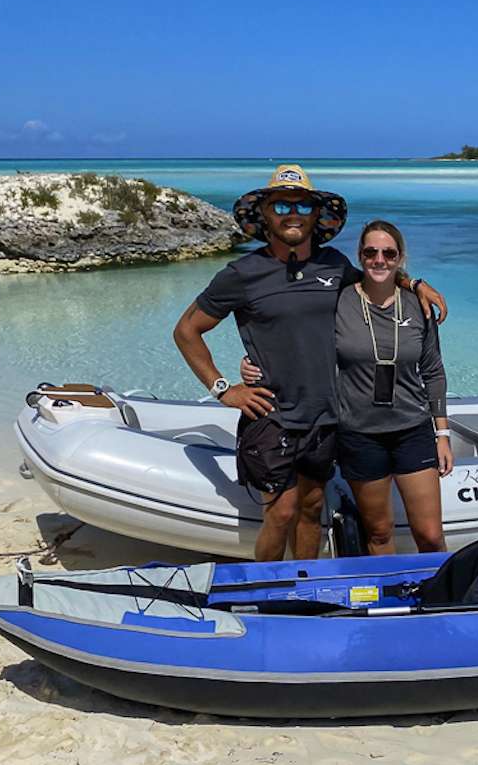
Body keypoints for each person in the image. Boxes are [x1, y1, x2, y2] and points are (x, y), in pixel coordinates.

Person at [172, 164, 445, 562]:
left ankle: (305, 585)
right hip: (272, 415)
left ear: (317, 215)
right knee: (281, 513)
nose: (293, 214)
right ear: (265, 214)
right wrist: (224, 388)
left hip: (326, 417)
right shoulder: (241, 274)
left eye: (302, 206)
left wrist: (415, 284)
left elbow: (377, 276)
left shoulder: (332, 265)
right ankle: (267, 586)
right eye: (281, 206)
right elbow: (186, 330)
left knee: (312, 508)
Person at [243, 220, 452, 554]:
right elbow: (296, 335)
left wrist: (442, 434)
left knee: (429, 534)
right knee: (379, 533)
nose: (379, 260)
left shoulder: (418, 304)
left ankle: (443, 585)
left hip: (412, 430)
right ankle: (387, 585)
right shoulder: (338, 301)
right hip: (358, 434)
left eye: (389, 253)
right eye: (371, 252)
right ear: (360, 256)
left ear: (400, 257)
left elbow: (433, 371)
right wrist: (255, 363)